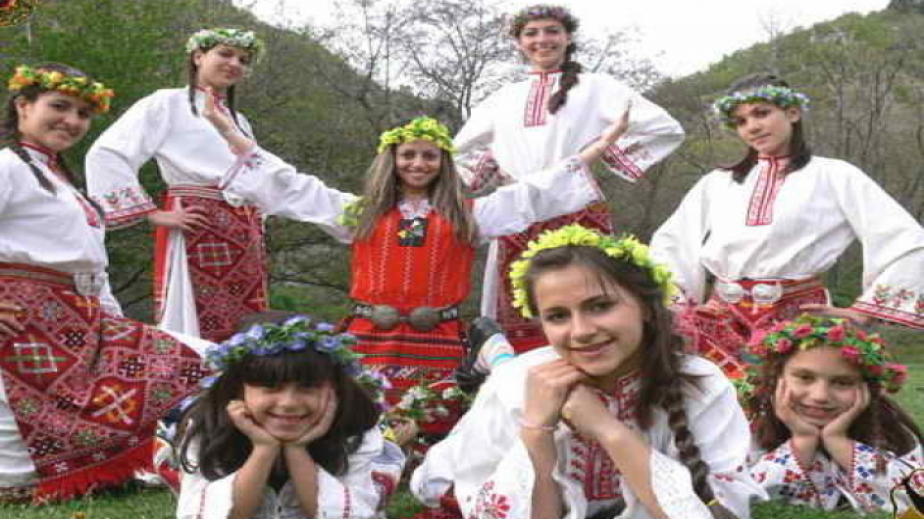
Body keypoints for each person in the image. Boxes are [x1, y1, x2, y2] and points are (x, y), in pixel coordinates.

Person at [201, 96, 630, 435]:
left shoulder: (469, 216)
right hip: (369, 334)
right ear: (392, 160)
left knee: (434, 416)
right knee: (360, 413)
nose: (418, 164)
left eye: (429, 156)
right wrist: (227, 130)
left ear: (443, 163)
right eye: (408, 155)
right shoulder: (361, 213)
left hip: (436, 337)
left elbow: (532, 195)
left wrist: (597, 148)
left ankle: (424, 466)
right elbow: (293, 187)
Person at [411, 224, 764, 519]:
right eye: (558, 316)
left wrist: (608, 430)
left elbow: (718, 513)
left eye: (600, 306)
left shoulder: (702, 385)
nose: (580, 331)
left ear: (645, 306)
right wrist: (536, 431)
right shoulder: (514, 384)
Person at [0, 63, 208, 503]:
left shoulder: (62, 181)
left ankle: (126, 466)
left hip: (82, 320)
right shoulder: (6, 166)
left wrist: (114, 322)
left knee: (206, 361)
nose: (72, 121)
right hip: (28, 327)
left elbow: (91, 267)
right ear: (23, 106)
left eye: (82, 113)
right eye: (59, 106)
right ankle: (40, 480)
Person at [650, 73, 924, 378]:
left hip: (800, 323)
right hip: (719, 324)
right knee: (716, 404)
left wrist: (863, 311)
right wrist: (677, 308)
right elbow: (672, 244)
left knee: (793, 403)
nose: (752, 127)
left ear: (792, 113)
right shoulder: (716, 183)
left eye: (761, 113)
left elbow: (908, 241)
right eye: (741, 121)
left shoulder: (835, 176)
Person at [454, 4, 685, 351]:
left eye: (552, 31)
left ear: (568, 37)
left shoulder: (598, 88)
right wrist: (494, 165)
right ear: (518, 42)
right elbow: (457, 153)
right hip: (517, 210)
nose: (542, 40)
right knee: (517, 307)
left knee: (588, 299)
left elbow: (664, 129)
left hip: (574, 209)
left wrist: (601, 152)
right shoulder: (502, 98)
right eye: (531, 33)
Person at [86, 28, 268, 342]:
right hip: (196, 224)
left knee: (245, 327)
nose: (235, 64)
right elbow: (107, 153)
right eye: (225, 54)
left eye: (243, 59)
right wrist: (153, 214)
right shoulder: (166, 103)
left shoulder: (240, 121)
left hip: (242, 232)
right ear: (198, 56)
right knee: (195, 322)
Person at [175, 316, 405, 519]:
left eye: (308, 387)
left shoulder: (355, 430)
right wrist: (263, 449)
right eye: (271, 387)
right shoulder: (208, 428)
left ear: (333, 389)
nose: (289, 403)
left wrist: (297, 450)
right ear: (239, 389)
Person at [743, 314, 923, 514]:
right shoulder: (748, 427)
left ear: (867, 388)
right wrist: (803, 441)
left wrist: (838, 441)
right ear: (776, 377)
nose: (820, 396)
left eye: (842, 382)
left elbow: (916, 496)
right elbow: (743, 499)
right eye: (805, 377)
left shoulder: (887, 426)